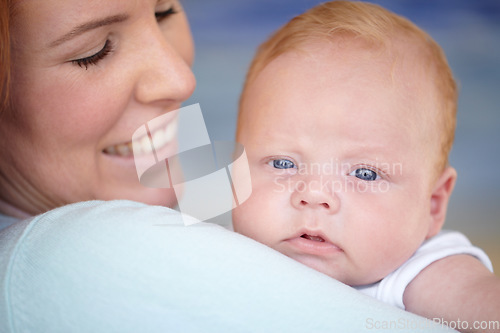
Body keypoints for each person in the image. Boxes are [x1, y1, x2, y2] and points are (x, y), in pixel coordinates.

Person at [0, 1, 451, 332]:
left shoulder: (438, 272)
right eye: (93, 51)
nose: (181, 79)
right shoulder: (84, 254)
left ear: (435, 204)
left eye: (165, 13)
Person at [232, 1, 500, 331]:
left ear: (432, 205)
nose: (314, 195)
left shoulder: (416, 273)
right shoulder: (228, 246)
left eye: (364, 173)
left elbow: (480, 301)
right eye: (283, 163)